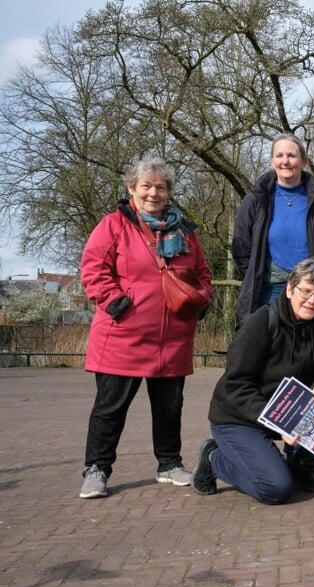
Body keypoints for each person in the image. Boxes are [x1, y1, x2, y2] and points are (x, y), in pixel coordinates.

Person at [79, 157, 213, 499]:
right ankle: (97, 469)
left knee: (170, 407)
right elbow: (94, 269)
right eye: (147, 186)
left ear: (168, 192)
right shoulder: (113, 226)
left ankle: (169, 464)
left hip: (172, 337)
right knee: (110, 408)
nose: (154, 192)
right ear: (131, 189)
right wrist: (116, 303)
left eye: (161, 187)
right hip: (123, 335)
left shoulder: (185, 230)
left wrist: (198, 301)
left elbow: (202, 273)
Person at [193, 258, 314, 503]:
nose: (312, 300)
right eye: (306, 291)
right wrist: (277, 423)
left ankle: (302, 466)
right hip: (240, 417)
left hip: (291, 413)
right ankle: (214, 459)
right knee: (275, 489)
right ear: (290, 289)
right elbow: (236, 386)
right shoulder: (260, 323)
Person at [232, 133, 314, 326]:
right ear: (272, 161)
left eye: (291, 156)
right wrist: (256, 273)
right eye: (279, 156)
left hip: (309, 290)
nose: (285, 161)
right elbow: (241, 247)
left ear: (303, 161)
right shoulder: (256, 199)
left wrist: (311, 278)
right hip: (268, 289)